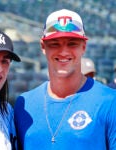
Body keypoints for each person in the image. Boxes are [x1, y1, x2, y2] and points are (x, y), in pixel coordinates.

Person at [14, 9, 116, 150]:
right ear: (43, 46)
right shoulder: (24, 104)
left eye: (72, 43)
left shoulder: (110, 101)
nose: (63, 51)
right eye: (55, 43)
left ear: (83, 47)